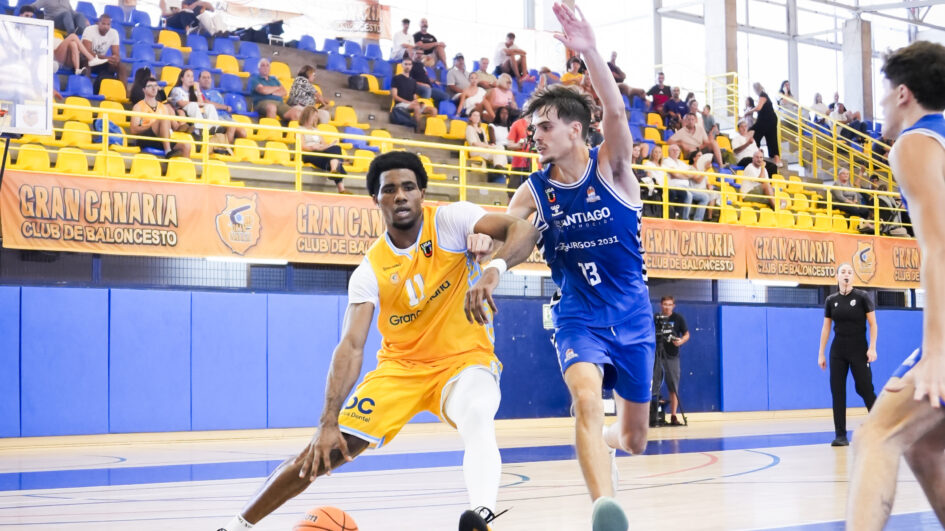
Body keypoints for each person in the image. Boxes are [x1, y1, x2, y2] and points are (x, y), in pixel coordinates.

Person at [216, 150, 539, 531]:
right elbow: (351, 346)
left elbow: (526, 230)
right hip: (400, 371)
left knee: (478, 413)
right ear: (376, 200)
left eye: (408, 187)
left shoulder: (452, 221)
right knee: (321, 454)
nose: (399, 196)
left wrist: (492, 271)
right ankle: (236, 527)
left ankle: (480, 518)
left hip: (464, 360)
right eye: (389, 190)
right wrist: (327, 420)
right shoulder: (370, 269)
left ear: (422, 193)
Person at [506, 5, 655, 530]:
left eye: (544, 127)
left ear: (576, 130)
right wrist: (487, 260)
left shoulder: (612, 169)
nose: (534, 135)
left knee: (635, 439)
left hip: (633, 315)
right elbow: (509, 232)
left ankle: (614, 443)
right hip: (578, 316)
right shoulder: (533, 190)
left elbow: (615, 115)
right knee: (586, 401)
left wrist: (588, 49)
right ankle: (604, 509)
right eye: (531, 129)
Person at [846, 41, 945, 530]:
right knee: (924, 445)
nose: (880, 107)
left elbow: (938, 246)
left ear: (903, 94)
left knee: (876, 437)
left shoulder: (916, 142)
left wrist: (936, 350)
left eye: (884, 95)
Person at [817, 264, 878, 447]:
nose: (846, 275)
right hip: (838, 352)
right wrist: (821, 353)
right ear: (837, 276)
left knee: (865, 388)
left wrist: (872, 348)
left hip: (859, 349)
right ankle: (840, 435)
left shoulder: (862, 297)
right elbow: (826, 327)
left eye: (849, 272)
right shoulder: (831, 300)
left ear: (853, 278)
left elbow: (873, 325)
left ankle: (880, 427)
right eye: (843, 272)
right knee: (837, 392)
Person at [129, 78, 191, 158]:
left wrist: (183, 127)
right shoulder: (138, 107)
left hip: (162, 139)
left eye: (155, 86)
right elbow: (133, 130)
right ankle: (168, 151)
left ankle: (183, 169)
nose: (154, 88)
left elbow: (173, 126)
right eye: (150, 86)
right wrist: (152, 125)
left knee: (186, 145)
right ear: (144, 90)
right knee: (163, 119)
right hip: (146, 138)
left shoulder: (164, 107)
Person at [652, 296, 689, 427]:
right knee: (654, 386)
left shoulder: (678, 318)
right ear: (660, 305)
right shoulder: (656, 318)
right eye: (665, 304)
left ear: (673, 305)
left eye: (669, 304)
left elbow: (686, 334)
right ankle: (653, 415)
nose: (667, 307)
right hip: (656, 356)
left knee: (673, 386)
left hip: (672, 356)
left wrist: (681, 341)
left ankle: (673, 415)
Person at [298, 105, 349, 194]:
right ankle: (341, 188)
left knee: (336, 148)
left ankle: (334, 170)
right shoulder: (299, 129)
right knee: (335, 159)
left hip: (320, 151)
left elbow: (324, 144)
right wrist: (313, 147)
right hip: (308, 153)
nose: (315, 118)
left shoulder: (316, 130)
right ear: (307, 115)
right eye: (314, 116)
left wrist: (329, 145)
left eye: (316, 116)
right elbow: (302, 146)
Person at [198, 70, 247, 144]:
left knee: (243, 133)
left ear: (211, 80)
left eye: (208, 77)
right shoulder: (199, 92)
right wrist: (225, 107)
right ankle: (226, 150)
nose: (207, 79)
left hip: (225, 116)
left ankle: (229, 146)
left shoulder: (216, 92)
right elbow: (207, 104)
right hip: (215, 117)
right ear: (199, 80)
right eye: (204, 77)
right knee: (231, 127)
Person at [168, 68, 221, 137]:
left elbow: (201, 104)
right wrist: (196, 103)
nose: (191, 78)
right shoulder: (177, 90)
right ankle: (200, 128)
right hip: (181, 112)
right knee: (193, 105)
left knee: (210, 106)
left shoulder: (194, 91)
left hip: (194, 110)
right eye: (188, 76)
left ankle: (214, 127)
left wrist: (198, 89)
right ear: (182, 79)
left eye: (192, 76)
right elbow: (180, 103)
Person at [389, 57, 436, 133]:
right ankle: (417, 132)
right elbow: (395, 96)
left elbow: (414, 97)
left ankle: (429, 133)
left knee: (433, 110)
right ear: (402, 65)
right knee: (416, 107)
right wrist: (409, 103)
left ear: (412, 66)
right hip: (400, 105)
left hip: (411, 104)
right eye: (406, 64)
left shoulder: (413, 81)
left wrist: (418, 103)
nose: (408, 66)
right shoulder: (396, 78)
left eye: (409, 64)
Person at [80, 14, 121, 90]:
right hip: (84, 59)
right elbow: (87, 51)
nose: (106, 27)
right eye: (103, 24)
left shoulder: (114, 33)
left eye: (108, 24)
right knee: (87, 60)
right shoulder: (89, 30)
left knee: (121, 66)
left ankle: (121, 91)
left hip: (100, 61)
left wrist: (115, 59)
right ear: (98, 23)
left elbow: (116, 54)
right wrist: (106, 58)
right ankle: (86, 89)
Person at [748, 82, 782, 167]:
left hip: (767, 120)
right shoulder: (764, 96)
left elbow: (759, 107)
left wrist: (749, 112)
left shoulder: (763, 96)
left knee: (754, 134)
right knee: (771, 138)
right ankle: (776, 159)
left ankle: (757, 153)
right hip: (769, 120)